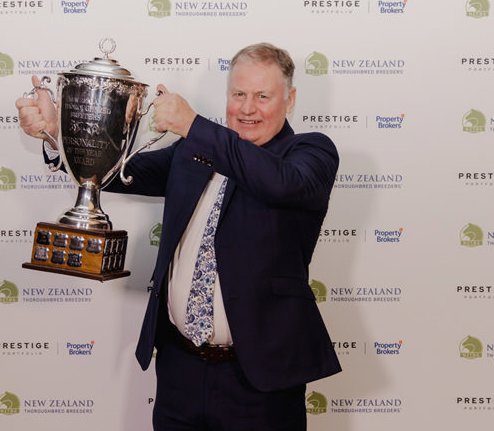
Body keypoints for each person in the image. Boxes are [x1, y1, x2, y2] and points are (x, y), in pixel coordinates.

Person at [17, 42, 341, 430]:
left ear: (289, 100)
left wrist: (193, 125)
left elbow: (280, 183)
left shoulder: (309, 154)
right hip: (179, 372)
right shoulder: (192, 152)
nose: (247, 108)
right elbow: (118, 171)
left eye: (262, 96)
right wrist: (62, 135)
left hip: (260, 382)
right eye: (238, 94)